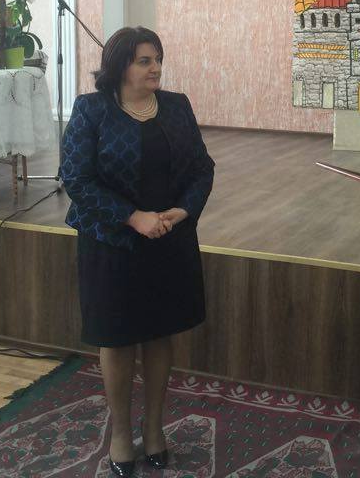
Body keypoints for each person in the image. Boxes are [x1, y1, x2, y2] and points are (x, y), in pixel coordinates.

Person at [60, 26, 214, 476]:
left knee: (159, 332)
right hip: (112, 242)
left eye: (158, 59)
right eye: (145, 60)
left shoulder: (177, 106)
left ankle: (155, 428)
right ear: (120, 66)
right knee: (118, 336)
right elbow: (76, 178)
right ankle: (122, 435)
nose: (155, 68)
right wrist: (132, 217)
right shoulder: (91, 110)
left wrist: (183, 211)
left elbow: (202, 168)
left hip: (167, 237)